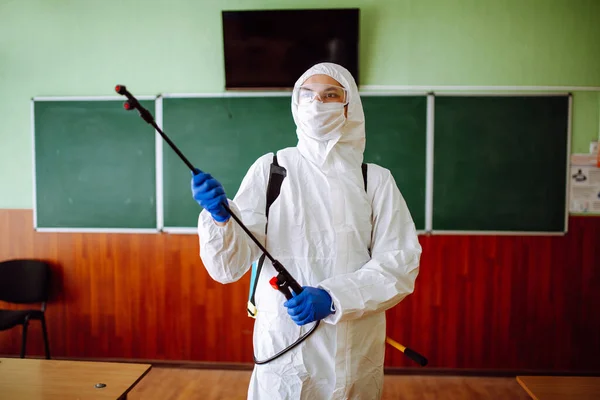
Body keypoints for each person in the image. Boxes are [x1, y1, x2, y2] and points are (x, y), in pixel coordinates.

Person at [191, 63, 422, 400]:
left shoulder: (375, 180)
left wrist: (333, 298)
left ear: (348, 106)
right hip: (283, 343)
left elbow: (399, 265)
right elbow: (229, 266)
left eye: (330, 95)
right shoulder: (271, 170)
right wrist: (220, 219)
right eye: (308, 95)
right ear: (296, 105)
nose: (318, 103)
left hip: (352, 348)